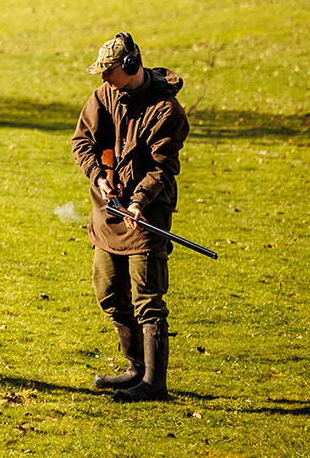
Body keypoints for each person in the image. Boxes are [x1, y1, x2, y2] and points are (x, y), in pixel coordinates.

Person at [69, 32, 191, 403]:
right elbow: (82, 143)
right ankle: (135, 369)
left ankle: (154, 383)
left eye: (109, 72)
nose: (103, 79)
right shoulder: (104, 96)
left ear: (130, 66)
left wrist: (138, 201)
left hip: (146, 215)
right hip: (108, 214)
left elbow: (161, 168)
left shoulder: (167, 112)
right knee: (109, 294)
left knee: (148, 300)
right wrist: (99, 175)